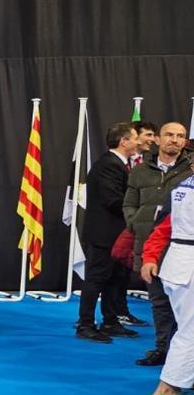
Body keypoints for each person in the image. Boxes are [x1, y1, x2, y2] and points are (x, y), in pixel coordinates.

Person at [124, 121, 192, 365]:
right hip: (148, 243)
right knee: (159, 302)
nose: (174, 139)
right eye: (169, 135)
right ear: (159, 139)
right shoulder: (140, 171)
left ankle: (182, 357)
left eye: (180, 136)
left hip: (181, 248)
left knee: (185, 309)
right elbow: (129, 202)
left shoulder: (191, 171)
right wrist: (136, 222)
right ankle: (163, 349)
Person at [76, 123, 140, 343]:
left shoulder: (117, 164)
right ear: (123, 142)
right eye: (134, 138)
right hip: (104, 234)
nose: (138, 142)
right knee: (96, 279)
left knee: (114, 278)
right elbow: (112, 200)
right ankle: (85, 325)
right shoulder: (109, 165)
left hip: (115, 234)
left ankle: (111, 322)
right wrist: (144, 205)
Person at [140, 180, 194, 395]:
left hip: (178, 264)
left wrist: (150, 256)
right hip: (188, 267)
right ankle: (167, 389)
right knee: (191, 332)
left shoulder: (183, 186)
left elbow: (164, 226)